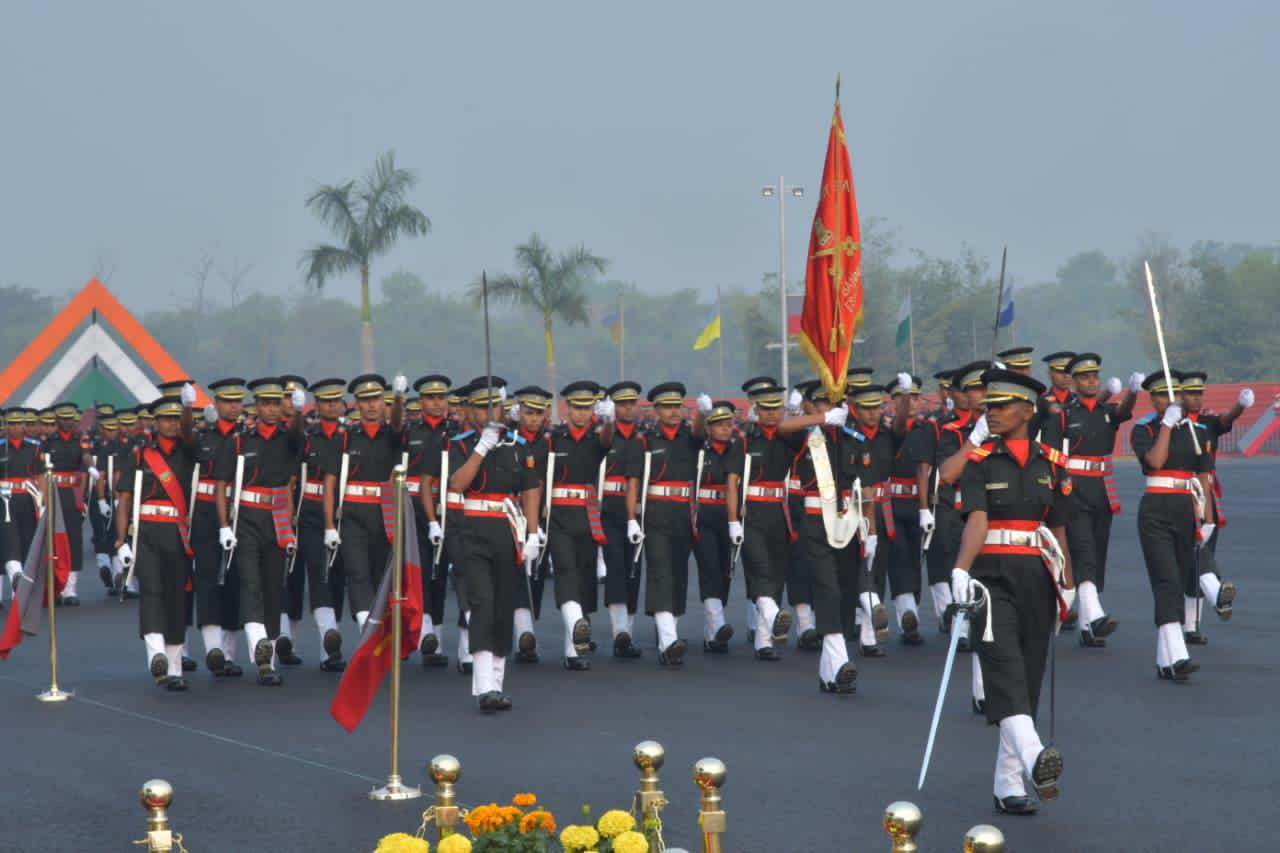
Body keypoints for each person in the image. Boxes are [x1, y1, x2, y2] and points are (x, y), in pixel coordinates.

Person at [953, 368, 1071, 816]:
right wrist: (961, 570)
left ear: (1027, 410)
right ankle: (1037, 756)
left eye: (1001, 406)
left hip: (1038, 575)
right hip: (990, 578)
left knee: (1029, 674)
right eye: (989, 406)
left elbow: (1059, 527)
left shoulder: (1053, 464)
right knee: (1002, 668)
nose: (992, 413)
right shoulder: (981, 462)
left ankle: (1008, 782)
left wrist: (1070, 586)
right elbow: (977, 521)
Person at [448, 380, 541, 712]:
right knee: (482, 603)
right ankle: (484, 684)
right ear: (471, 412)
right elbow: (457, 484)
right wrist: (482, 448)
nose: (489, 413)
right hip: (473, 529)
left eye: (494, 407)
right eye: (481, 407)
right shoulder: (461, 444)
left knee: (503, 605)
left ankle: (496, 685)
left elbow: (530, 489)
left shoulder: (518, 445)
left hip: (507, 529)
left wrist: (533, 533)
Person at [778, 380, 872, 694]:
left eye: (834, 405)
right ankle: (841, 660)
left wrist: (869, 528)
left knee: (845, 592)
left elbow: (865, 485)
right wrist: (819, 420)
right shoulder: (807, 436)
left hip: (848, 521)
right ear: (811, 407)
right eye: (822, 404)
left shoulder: (852, 436)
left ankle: (828, 671)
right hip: (816, 522)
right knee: (827, 589)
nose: (829, 409)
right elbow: (783, 425)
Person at [214, 378, 307, 686]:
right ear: (256, 407)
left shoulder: (289, 438)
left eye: (275, 403)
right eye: (264, 403)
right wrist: (224, 526)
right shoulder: (240, 442)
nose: (270, 409)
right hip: (247, 517)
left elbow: (297, 437)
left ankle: (267, 644)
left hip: (278, 515)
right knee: (250, 582)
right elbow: (221, 485)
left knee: (273, 586)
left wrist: (299, 410)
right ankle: (261, 653)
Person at [1042, 354, 1139, 647]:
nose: (1092, 381)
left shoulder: (1105, 411)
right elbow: (1049, 451)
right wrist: (1061, 478)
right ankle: (1095, 616)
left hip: (1102, 487)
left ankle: (1087, 625)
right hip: (1073, 488)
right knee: (1083, 549)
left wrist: (1133, 392)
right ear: (1073, 382)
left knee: (1096, 552)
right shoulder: (1062, 414)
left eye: (1095, 376)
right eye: (1085, 377)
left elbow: (1123, 412)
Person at [1130, 371, 1214, 682]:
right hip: (1155, 509)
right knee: (1165, 580)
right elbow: (1154, 461)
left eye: (1172, 394)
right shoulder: (1145, 429)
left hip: (1185, 509)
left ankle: (1165, 660)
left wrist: (1207, 517)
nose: (1168, 400)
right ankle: (1178, 654)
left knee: (1177, 580)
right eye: (1161, 395)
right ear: (1152, 398)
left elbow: (1203, 476)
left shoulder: (1198, 431)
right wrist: (1166, 425)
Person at [113, 390, 197, 690]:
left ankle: (173, 669)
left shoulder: (189, 452)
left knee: (176, 597)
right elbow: (124, 500)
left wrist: (188, 406)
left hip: (177, 533)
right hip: (146, 532)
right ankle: (157, 655)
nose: (172, 424)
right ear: (155, 422)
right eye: (166, 419)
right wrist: (121, 540)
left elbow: (190, 433)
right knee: (152, 592)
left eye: (176, 419)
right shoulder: (139, 455)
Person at [626, 382, 706, 666]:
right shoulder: (645, 440)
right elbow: (634, 482)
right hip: (656, 510)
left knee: (678, 571)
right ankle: (670, 638)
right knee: (660, 569)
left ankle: (667, 635)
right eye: (668, 407)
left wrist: (703, 414)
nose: (674, 412)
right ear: (657, 410)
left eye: (678, 406)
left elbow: (700, 433)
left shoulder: (690, 436)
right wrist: (631, 520)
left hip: (684, 511)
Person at [322, 374, 407, 637]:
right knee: (357, 573)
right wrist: (329, 526)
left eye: (376, 399)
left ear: (385, 403)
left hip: (384, 513)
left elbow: (396, 425)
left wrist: (400, 398)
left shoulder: (394, 435)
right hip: (353, 513)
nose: (371, 405)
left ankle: (381, 629)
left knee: (382, 575)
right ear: (356, 404)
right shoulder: (345, 438)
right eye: (365, 400)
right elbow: (330, 483)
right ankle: (366, 631)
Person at [544, 381, 615, 670]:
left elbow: (608, 442)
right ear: (567, 408)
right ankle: (575, 640)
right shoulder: (554, 438)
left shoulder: (595, 440)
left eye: (587, 408)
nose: (582, 413)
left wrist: (608, 420)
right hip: (558, 514)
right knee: (565, 571)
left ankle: (573, 647)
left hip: (586, 515)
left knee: (585, 578)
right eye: (577, 407)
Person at [735, 383, 808, 659]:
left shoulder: (788, 438)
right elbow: (733, 481)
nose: (771, 414)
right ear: (756, 410)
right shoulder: (745, 440)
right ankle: (772, 616)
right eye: (765, 409)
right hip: (750, 510)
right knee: (760, 566)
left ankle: (763, 642)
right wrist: (733, 520)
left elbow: (804, 433)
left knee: (776, 573)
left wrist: (799, 413)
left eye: (776, 408)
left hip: (780, 509)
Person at [1179, 371, 1249, 641]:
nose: (1196, 398)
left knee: (1199, 555)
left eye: (1199, 394)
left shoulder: (1208, 422)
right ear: (1181, 395)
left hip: (1207, 496)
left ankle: (1191, 625)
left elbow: (1226, 420)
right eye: (1191, 394)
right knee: (1198, 553)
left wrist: (1241, 406)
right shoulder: (1173, 423)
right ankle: (1215, 591)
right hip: (1182, 496)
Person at [296, 378, 349, 672]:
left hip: (345, 509)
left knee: (338, 576)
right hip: (313, 511)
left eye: (336, 400)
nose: (332, 405)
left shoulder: (348, 435)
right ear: (317, 405)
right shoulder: (307, 436)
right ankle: (329, 643)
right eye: (326, 401)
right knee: (319, 572)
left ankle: (330, 644)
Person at [406, 374, 454, 668]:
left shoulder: (455, 431)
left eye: (441, 397)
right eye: (430, 398)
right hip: (411, 506)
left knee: (440, 574)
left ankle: (434, 637)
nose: (436, 403)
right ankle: (423, 634)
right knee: (420, 571)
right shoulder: (409, 432)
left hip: (445, 505)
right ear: (421, 402)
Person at [883, 373, 935, 646]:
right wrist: (903, 401)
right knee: (899, 557)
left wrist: (927, 507)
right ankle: (907, 612)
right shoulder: (892, 427)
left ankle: (909, 616)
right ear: (894, 402)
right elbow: (901, 424)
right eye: (906, 397)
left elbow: (926, 467)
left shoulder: (928, 428)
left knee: (914, 560)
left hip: (919, 502)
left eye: (915, 397)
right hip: (894, 501)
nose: (913, 402)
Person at [692, 400, 744, 655]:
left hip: (729, 514)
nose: (725, 429)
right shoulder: (701, 451)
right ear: (709, 428)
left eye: (728, 424)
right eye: (719, 425)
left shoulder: (736, 450)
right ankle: (718, 623)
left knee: (726, 571)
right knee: (709, 566)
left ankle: (712, 631)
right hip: (704, 514)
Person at [599, 381, 645, 658]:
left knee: (634, 569)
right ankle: (620, 631)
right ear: (614, 407)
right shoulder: (606, 435)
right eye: (622, 403)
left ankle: (628, 631)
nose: (628, 407)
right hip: (608, 507)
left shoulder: (643, 437)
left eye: (632, 403)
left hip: (637, 508)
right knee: (616, 564)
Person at [509, 384, 552, 662]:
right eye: (528, 412)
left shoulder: (551, 442)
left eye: (538, 413)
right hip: (512, 514)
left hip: (542, 514)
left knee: (535, 575)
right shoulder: (509, 439)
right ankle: (524, 633)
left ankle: (528, 631)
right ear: (518, 412)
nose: (533, 418)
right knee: (516, 574)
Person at [45, 402, 91, 605]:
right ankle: (55, 585)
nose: (67, 422)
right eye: (63, 419)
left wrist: (90, 466)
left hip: (72, 493)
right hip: (53, 492)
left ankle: (70, 589)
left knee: (73, 540)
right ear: (57, 420)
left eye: (70, 419)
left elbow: (86, 462)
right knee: (53, 541)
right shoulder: (48, 442)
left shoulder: (81, 440)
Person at [1, 409, 42, 601]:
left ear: (25, 425)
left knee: (28, 540)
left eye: (19, 424)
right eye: (11, 424)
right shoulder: (1, 447)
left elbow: (40, 475)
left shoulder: (34, 447)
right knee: (10, 539)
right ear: (6, 426)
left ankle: (22, 590)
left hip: (27, 498)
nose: (15, 427)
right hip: (5, 501)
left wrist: (43, 502)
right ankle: (15, 576)